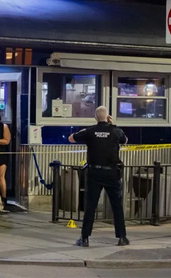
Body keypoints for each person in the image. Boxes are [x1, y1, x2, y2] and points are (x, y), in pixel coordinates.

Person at [69, 106, 129, 247]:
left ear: (95, 117)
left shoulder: (89, 131)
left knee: (90, 206)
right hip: (112, 174)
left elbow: (71, 138)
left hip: (94, 173)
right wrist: (112, 125)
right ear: (108, 116)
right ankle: (122, 237)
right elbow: (125, 140)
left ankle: (84, 238)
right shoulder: (116, 131)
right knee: (117, 206)